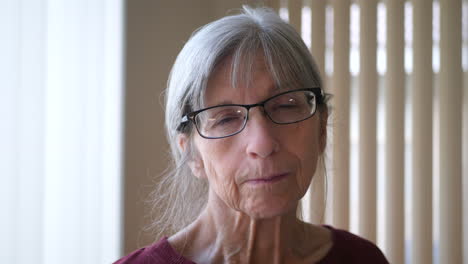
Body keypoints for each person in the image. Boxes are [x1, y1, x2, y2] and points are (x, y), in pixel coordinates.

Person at [115, 6, 388, 264]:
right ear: (193, 154)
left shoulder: (361, 258)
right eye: (225, 118)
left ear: (321, 129)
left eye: (285, 106)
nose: (263, 143)